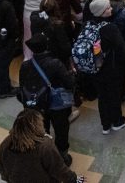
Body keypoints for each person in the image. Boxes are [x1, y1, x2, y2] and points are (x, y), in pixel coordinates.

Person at [19, 32, 75, 162]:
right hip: (56, 105)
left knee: (42, 131)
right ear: (46, 46)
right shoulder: (55, 63)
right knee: (61, 129)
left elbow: (22, 87)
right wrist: (72, 74)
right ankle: (62, 156)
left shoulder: (25, 66)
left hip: (36, 105)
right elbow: (69, 83)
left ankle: (45, 155)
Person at [86, 0, 125, 133]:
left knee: (102, 96)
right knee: (114, 94)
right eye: (107, 8)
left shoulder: (89, 24)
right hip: (111, 68)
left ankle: (105, 125)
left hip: (95, 67)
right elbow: (123, 50)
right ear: (101, 12)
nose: (111, 9)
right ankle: (117, 121)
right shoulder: (110, 28)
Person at [0, 109, 82, 183]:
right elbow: (59, 170)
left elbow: (3, 172)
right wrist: (74, 179)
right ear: (37, 127)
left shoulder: (5, 144)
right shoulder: (45, 146)